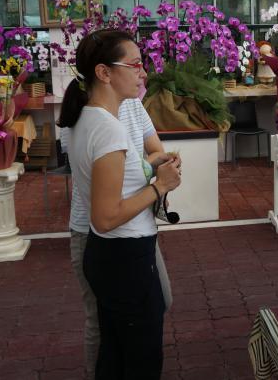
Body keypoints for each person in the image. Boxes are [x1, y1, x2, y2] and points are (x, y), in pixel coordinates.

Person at [59, 29, 181, 379]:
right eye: (135, 64)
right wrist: (160, 187)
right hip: (124, 254)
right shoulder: (108, 129)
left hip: (109, 253)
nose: (143, 72)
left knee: (115, 352)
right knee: (140, 357)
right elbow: (106, 217)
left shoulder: (86, 118)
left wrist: (152, 170)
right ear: (104, 73)